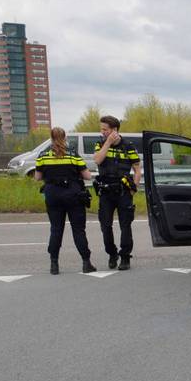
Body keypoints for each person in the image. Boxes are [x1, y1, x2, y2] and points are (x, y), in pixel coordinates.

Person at [35, 127, 96, 275]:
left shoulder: (43, 155)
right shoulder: (73, 154)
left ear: (51, 138)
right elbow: (87, 176)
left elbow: (37, 177)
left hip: (53, 195)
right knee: (78, 230)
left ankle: (54, 265)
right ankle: (86, 262)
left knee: (56, 229)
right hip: (73, 195)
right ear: (65, 137)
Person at [93, 115, 142, 270]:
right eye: (101, 129)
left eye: (104, 129)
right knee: (105, 226)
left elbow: (137, 169)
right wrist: (107, 143)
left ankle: (125, 257)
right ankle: (112, 254)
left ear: (114, 130)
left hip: (123, 192)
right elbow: (97, 160)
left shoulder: (128, 146)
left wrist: (134, 188)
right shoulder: (100, 144)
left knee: (125, 226)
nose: (102, 132)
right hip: (106, 192)